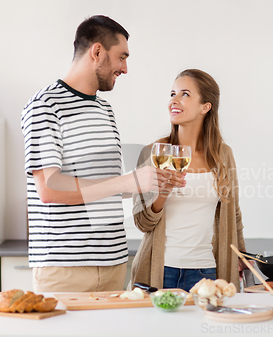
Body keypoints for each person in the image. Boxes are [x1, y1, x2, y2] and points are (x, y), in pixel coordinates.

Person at [21, 15, 185, 293]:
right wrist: (130, 181)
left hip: (113, 262)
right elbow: (49, 189)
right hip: (64, 268)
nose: (125, 68)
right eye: (122, 57)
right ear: (97, 52)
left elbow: (102, 187)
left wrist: (151, 183)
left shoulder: (104, 110)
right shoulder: (45, 105)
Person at [130, 69, 246, 292]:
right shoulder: (153, 154)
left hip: (206, 273)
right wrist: (163, 192)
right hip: (160, 270)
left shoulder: (223, 155)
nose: (174, 100)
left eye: (185, 94)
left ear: (205, 107)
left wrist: (243, 255)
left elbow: (234, 213)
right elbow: (142, 223)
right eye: (172, 93)